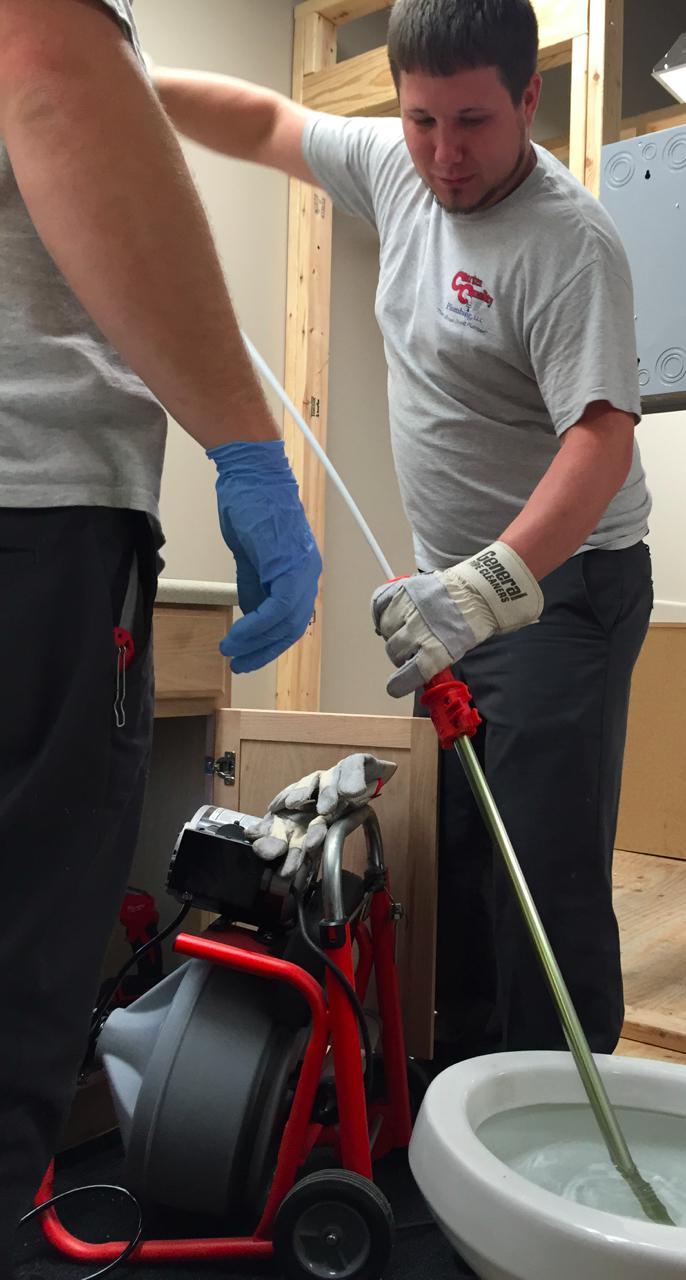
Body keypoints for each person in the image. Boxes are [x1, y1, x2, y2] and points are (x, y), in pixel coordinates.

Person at [153, 0, 652, 1066]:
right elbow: (265, 122)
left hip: (563, 587)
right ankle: (461, 1095)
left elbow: (602, 440)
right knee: (455, 856)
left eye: (472, 122)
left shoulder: (569, 243)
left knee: (539, 880)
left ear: (528, 98)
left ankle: (558, 1122)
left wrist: (485, 587)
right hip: (450, 593)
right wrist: (126, 92)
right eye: (422, 120)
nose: (444, 153)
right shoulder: (395, 166)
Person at [0, 0, 320, 1265]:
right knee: (20, 971)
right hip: (34, 515)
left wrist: (140, 80)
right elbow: (47, 71)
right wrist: (246, 444)